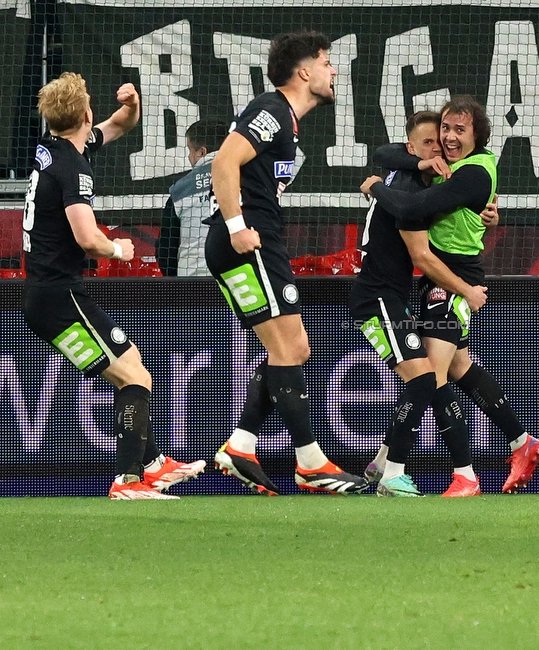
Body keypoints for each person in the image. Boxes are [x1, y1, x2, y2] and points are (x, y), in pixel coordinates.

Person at [21, 72, 205, 500]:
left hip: (47, 295)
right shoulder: (74, 166)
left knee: (133, 365)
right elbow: (87, 238)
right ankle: (127, 481)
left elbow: (120, 123)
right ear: (87, 114)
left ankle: (155, 465)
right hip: (59, 295)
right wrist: (120, 249)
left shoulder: (54, 148)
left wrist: (132, 103)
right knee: (136, 377)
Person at [361, 96, 539, 495]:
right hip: (440, 282)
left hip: (452, 280)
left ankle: (464, 475)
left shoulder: (471, 173)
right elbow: (386, 151)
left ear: (478, 136)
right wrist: (419, 162)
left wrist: (376, 186)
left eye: (459, 130)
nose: (447, 137)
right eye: (445, 128)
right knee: (459, 366)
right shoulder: (455, 168)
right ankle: (520, 441)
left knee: (434, 376)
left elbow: (413, 207)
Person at [208, 31, 367, 495]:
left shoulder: (287, 120)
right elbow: (223, 163)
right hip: (248, 242)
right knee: (290, 350)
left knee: (293, 350)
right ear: (304, 72)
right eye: (326, 62)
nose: (333, 70)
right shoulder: (272, 110)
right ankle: (310, 463)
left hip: (255, 239)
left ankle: (241, 444)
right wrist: (237, 227)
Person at [349, 110, 488, 497]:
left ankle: (381, 465)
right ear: (413, 149)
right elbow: (423, 258)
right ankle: (394, 473)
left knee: (431, 378)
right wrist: (468, 290)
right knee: (426, 379)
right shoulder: (410, 190)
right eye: (429, 143)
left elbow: (384, 153)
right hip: (377, 299)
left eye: (441, 141)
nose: (439, 148)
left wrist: (485, 215)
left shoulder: (406, 177)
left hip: (389, 298)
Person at [157, 118, 228, 276]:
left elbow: (165, 250)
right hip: (240, 283)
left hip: (191, 283)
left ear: (202, 152)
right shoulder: (250, 180)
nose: (190, 157)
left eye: (190, 150)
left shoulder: (180, 190)